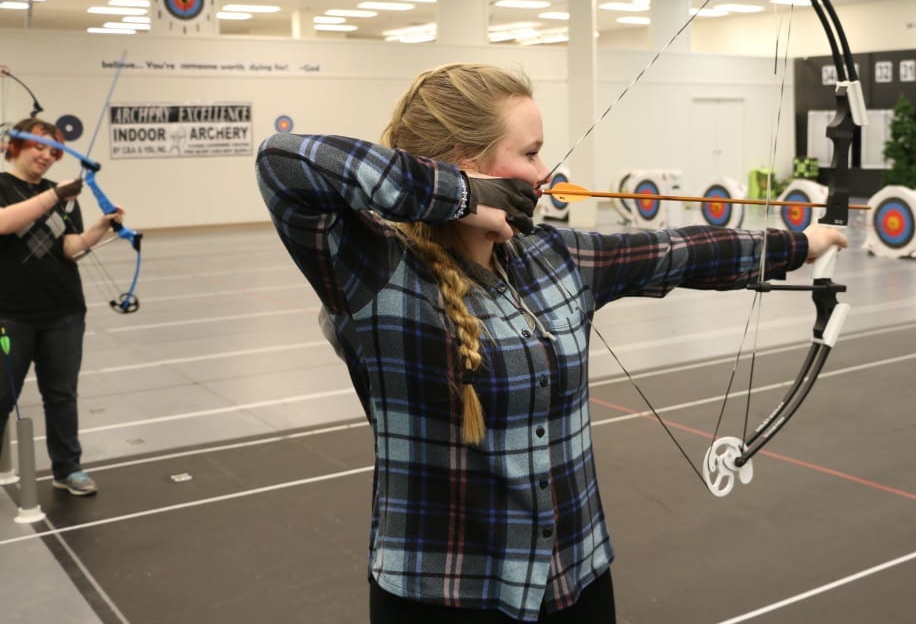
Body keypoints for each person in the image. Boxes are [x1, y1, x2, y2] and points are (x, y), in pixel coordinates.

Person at [254, 63, 848, 623]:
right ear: (466, 164)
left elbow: (679, 251)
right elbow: (285, 162)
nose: (546, 174)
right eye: (531, 154)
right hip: (444, 596)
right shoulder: (377, 271)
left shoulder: (553, 257)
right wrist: (459, 195)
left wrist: (800, 243)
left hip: (576, 580)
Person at [0, 117, 124, 496]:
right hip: (10, 313)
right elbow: (4, 223)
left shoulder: (61, 192)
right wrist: (56, 196)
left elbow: (69, 248)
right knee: (2, 396)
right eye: (38, 145)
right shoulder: (5, 187)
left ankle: (67, 468)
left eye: (54, 150)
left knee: (61, 395)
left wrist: (101, 227)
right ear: (16, 145)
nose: (47, 155)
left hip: (65, 311)